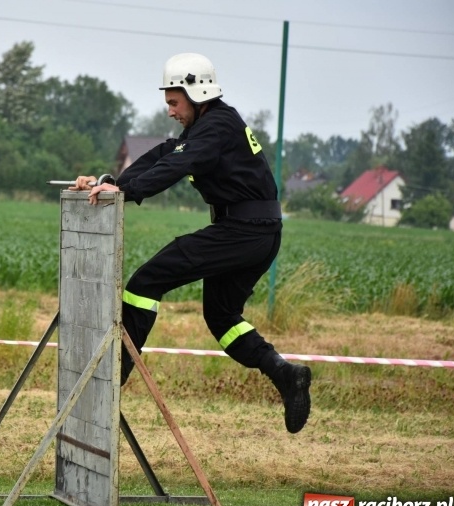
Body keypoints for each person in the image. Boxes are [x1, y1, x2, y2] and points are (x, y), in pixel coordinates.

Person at [70, 53, 311, 434]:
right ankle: (284, 374)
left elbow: (179, 164)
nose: (170, 110)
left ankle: (114, 377)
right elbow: (167, 154)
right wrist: (113, 182)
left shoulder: (216, 127)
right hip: (256, 232)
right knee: (222, 317)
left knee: (146, 282)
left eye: (173, 102)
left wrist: (126, 190)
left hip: (244, 231)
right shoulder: (210, 126)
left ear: (197, 92)